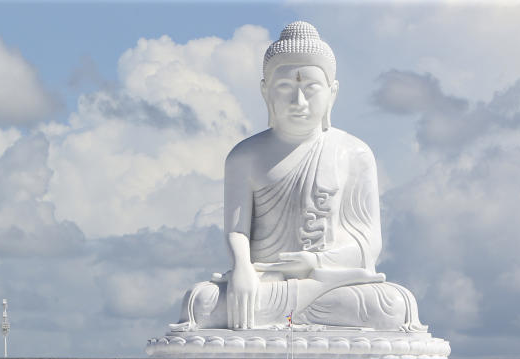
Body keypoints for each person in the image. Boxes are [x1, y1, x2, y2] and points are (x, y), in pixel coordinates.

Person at [176, 22, 427, 332]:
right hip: (263, 283)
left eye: (311, 88)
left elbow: (367, 245)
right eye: (284, 87)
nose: (299, 101)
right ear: (265, 91)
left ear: (332, 93)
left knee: (390, 305)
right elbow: (237, 230)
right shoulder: (244, 156)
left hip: (328, 286)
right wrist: (242, 270)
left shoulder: (354, 153)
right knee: (201, 301)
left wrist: (315, 264)